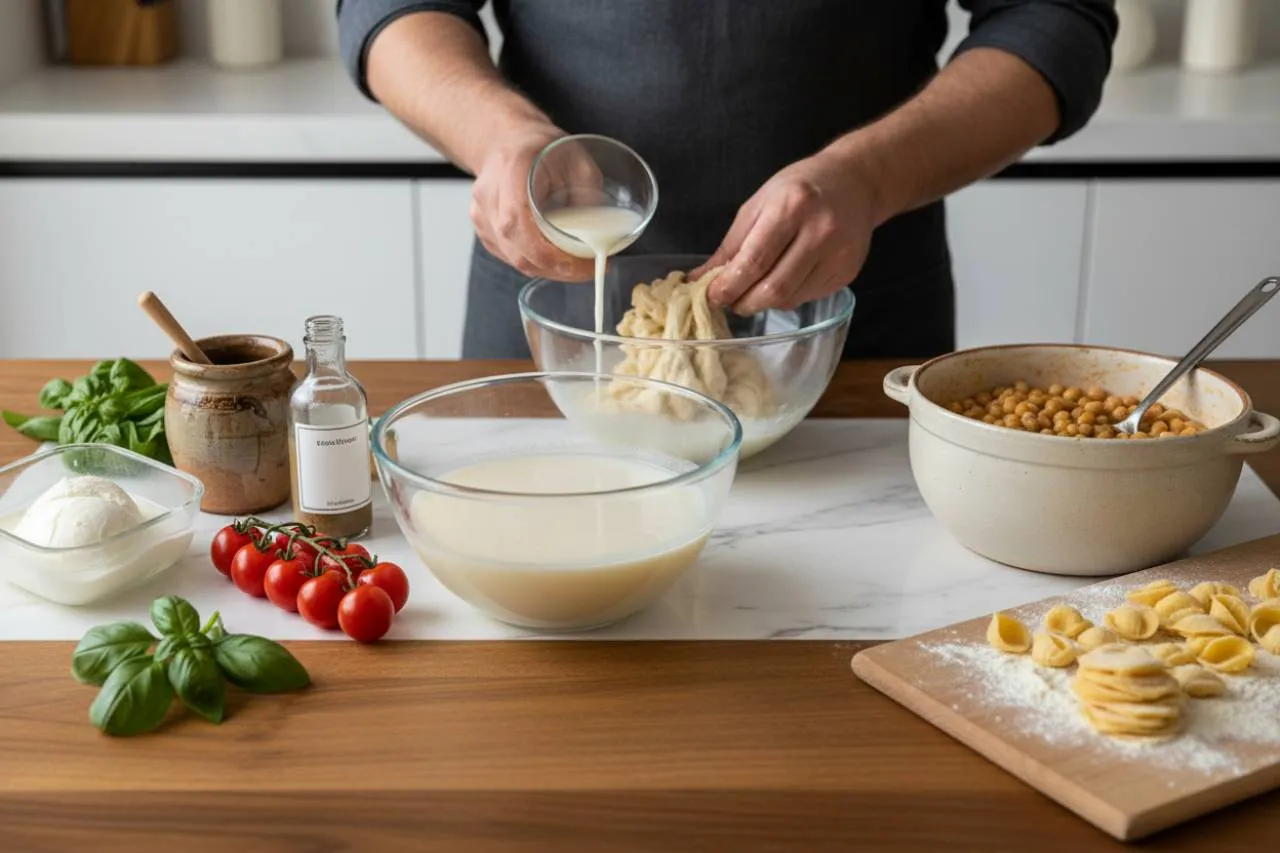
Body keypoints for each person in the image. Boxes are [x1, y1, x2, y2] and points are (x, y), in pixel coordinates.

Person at [337, 1, 1117, 359]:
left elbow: (1055, 19)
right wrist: (499, 133)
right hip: (552, 325)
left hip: (844, 330)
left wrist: (870, 175)